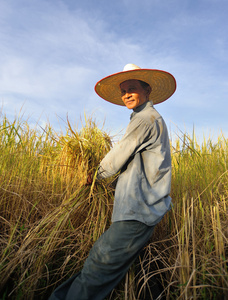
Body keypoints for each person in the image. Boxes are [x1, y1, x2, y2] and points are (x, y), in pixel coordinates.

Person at [49, 63, 176, 300]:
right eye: (123, 90)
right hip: (138, 210)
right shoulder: (144, 118)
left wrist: (95, 175)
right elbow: (132, 163)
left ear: (147, 91)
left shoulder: (146, 119)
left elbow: (117, 157)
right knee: (134, 270)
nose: (126, 94)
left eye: (133, 88)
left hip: (137, 211)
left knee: (99, 264)